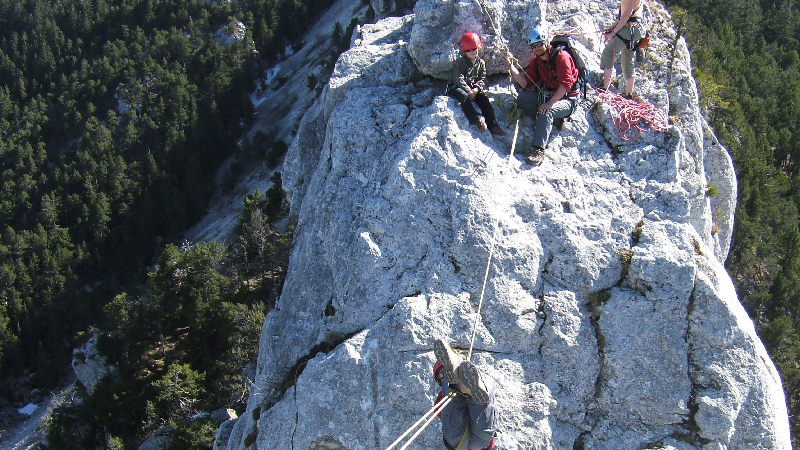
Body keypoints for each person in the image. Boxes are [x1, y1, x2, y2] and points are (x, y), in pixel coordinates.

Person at [503, 26, 579, 166]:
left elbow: (566, 84)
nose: (536, 48)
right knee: (523, 99)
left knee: (547, 111)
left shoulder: (561, 57)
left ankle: (539, 150)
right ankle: (547, 122)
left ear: (546, 42)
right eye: (533, 46)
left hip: (567, 99)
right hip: (549, 95)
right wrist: (511, 67)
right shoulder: (537, 61)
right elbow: (526, 82)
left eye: (539, 44)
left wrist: (549, 104)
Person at [433, 339, 498, 450]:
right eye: (441, 375)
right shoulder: (442, 400)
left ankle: (463, 380)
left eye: (446, 372)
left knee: (484, 389)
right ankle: (459, 382)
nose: (444, 376)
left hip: (472, 440)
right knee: (452, 395)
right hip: (469, 441)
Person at [448, 32, 506, 136]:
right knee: (464, 97)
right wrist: (468, 90)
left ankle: (493, 125)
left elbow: (481, 78)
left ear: (478, 48)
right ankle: (477, 118)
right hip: (457, 86)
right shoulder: (461, 62)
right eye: (468, 50)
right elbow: (458, 78)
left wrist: (476, 89)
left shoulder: (481, 63)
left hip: (472, 87)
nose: (472, 52)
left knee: (484, 99)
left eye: (474, 49)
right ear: (464, 51)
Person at [600, 0, 646, 98]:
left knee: (608, 52)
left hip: (628, 30)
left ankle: (604, 87)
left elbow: (626, 15)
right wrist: (611, 28)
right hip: (636, 31)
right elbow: (622, 16)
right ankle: (628, 94)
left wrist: (613, 33)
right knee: (628, 60)